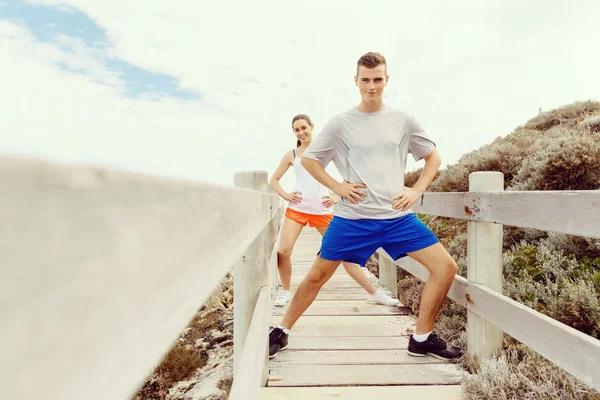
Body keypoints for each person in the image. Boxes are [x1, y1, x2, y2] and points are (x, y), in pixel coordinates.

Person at [268, 52, 462, 360]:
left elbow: (433, 157)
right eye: (366, 80)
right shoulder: (341, 123)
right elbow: (309, 159)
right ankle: (282, 331)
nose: (372, 87)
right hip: (353, 218)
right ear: (356, 81)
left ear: (387, 80)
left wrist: (417, 189)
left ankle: (421, 338)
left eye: (378, 80)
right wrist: (337, 187)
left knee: (445, 268)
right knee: (318, 275)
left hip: (398, 218)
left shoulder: (404, 120)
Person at [269, 113, 400, 309]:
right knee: (283, 251)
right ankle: (285, 291)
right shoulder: (291, 155)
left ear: (312, 126)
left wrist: (338, 195)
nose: (301, 132)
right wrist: (286, 195)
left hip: (323, 210)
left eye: (304, 127)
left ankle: (374, 293)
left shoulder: (326, 151)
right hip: (298, 209)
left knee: (346, 254)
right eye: (297, 130)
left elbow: (350, 176)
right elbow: (274, 180)